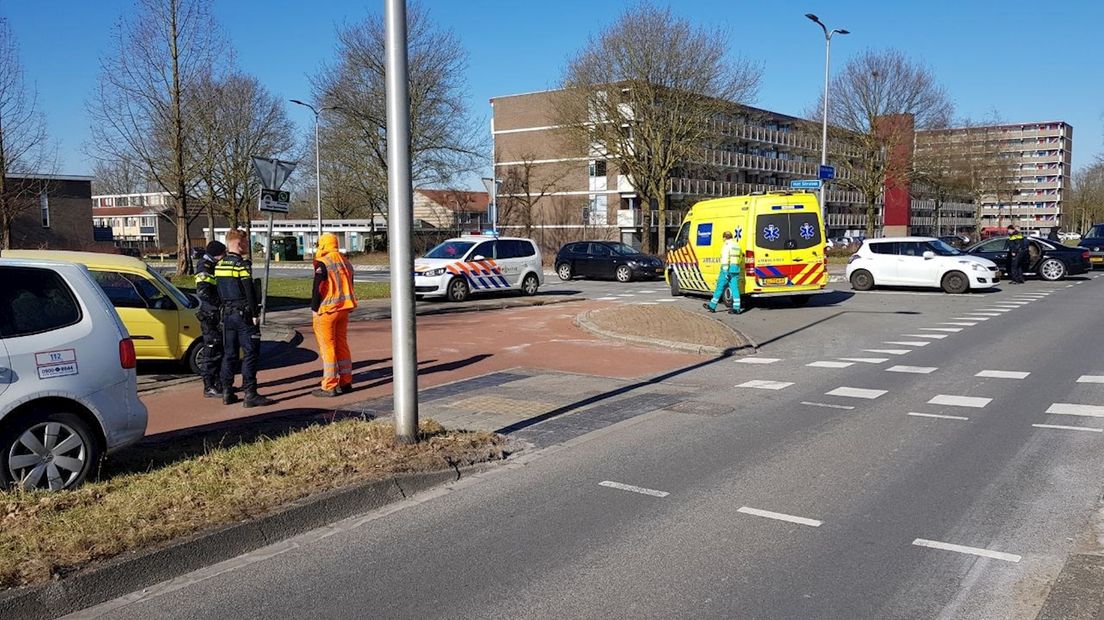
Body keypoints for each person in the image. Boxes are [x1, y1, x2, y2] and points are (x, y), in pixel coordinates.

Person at [214, 229, 272, 407]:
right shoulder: (241, 265)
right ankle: (250, 393)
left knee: (229, 354)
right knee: (250, 353)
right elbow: (248, 290)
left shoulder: (220, 265)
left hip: (227, 314)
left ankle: (227, 391)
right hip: (243, 315)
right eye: (246, 243)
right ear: (239, 244)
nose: (247, 246)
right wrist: (255, 314)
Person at [310, 233, 358, 397]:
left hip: (327, 310)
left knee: (327, 346)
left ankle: (329, 385)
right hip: (344, 309)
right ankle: (346, 381)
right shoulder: (346, 262)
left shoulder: (323, 263)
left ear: (323, 245)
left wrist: (314, 309)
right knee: (341, 344)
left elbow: (318, 288)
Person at [194, 240, 226, 398]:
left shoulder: (211, 264)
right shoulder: (204, 266)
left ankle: (218, 383)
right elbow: (203, 292)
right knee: (211, 350)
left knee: (219, 350)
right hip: (210, 314)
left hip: (214, 313)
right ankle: (209, 386)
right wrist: (219, 304)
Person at [703, 229, 744, 314]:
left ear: (725, 238)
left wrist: (725, 271)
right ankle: (736, 308)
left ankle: (712, 306)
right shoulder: (737, 245)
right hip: (735, 268)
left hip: (727, 269)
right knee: (735, 288)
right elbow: (740, 258)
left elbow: (725, 259)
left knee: (720, 287)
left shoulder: (726, 245)